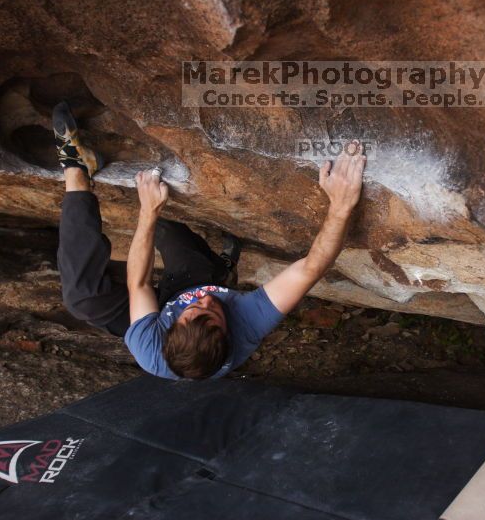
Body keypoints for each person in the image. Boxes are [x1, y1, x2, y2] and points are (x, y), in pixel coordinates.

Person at [53, 101, 365, 379]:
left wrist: (149, 211)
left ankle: (78, 172)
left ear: (169, 327)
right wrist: (341, 206)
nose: (203, 302)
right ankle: (222, 268)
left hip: (166, 302)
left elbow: (140, 285)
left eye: (195, 311)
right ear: (229, 334)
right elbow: (310, 269)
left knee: (82, 298)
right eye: (211, 312)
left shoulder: (149, 348)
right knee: (170, 230)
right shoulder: (247, 325)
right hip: (198, 278)